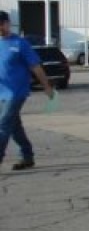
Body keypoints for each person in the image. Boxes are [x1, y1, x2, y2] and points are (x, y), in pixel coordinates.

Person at [0, 10, 53, 170]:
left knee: (3, 124)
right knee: (14, 126)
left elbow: (35, 66)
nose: (0, 27)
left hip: (16, 92)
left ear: (8, 23)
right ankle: (27, 156)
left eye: (2, 24)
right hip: (2, 91)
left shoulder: (20, 43)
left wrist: (46, 86)